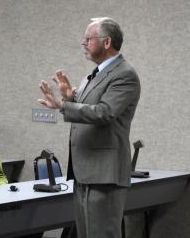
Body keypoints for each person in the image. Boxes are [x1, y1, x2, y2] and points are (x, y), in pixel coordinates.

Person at [38, 17, 141, 238]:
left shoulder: (125, 74)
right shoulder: (92, 75)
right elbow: (90, 107)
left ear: (106, 42)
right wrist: (72, 97)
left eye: (88, 38)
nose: (82, 43)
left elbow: (105, 112)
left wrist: (64, 105)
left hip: (105, 174)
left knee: (102, 234)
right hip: (85, 171)